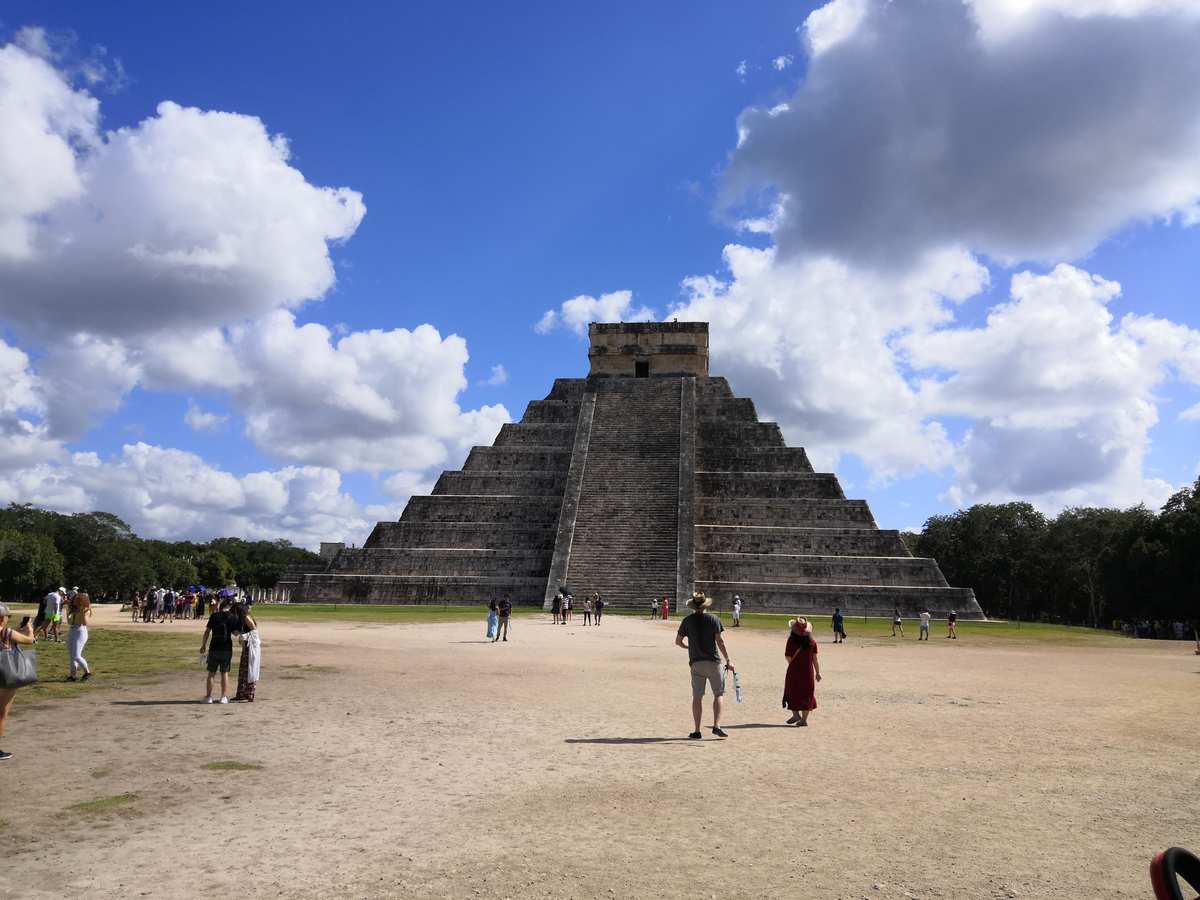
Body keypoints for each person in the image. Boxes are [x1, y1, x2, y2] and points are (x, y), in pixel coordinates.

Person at [675, 592, 734, 739]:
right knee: (718, 694)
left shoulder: (687, 621)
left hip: (696, 663)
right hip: (713, 662)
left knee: (697, 697)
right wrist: (728, 659)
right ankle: (716, 725)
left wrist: (688, 647)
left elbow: (678, 641)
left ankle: (696, 730)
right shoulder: (713, 619)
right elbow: (720, 642)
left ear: (694, 606)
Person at [0, 604, 36, 761]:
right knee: (1, 714)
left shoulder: (9, 633)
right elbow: (30, 640)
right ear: (2, 618)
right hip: (5, 677)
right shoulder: (7, 633)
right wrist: (30, 628)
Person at [783, 617, 821, 726]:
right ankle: (804, 720)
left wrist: (794, 665)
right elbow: (815, 660)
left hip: (794, 671)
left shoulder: (791, 641)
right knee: (807, 694)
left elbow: (788, 657)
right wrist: (818, 673)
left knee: (792, 692)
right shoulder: (812, 642)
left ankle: (796, 715)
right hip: (808, 672)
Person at [200, 600, 239, 704]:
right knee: (224, 673)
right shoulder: (233, 617)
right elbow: (235, 633)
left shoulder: (214, 616)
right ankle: (223, 697)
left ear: (220, 606)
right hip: (226, 647)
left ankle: (208, 697)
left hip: (214, 647)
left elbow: (207, 631)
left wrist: (203, 645)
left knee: (211, 673)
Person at [232, 603, 260, 702]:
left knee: (249, 669)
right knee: (244, 670)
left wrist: (243, 637)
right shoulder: (242, 619)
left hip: (251, 647)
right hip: (247, 647)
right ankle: (242, 693)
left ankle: (248, 693)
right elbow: (236, 632)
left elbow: (254, 631)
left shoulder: (245, 617)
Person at [66, 592, 93, 682]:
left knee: (76, 655)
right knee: (72, 655)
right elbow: (70, 622)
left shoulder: (86, 610)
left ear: (82, 601)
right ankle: (72, 675)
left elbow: (85, 623)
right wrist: (68, 610)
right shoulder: (73, 609)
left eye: (77, 599)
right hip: (72, 630)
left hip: (80, 631)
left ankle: (87, 672)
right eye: (75, 598)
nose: (74, 600)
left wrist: (82, 611)